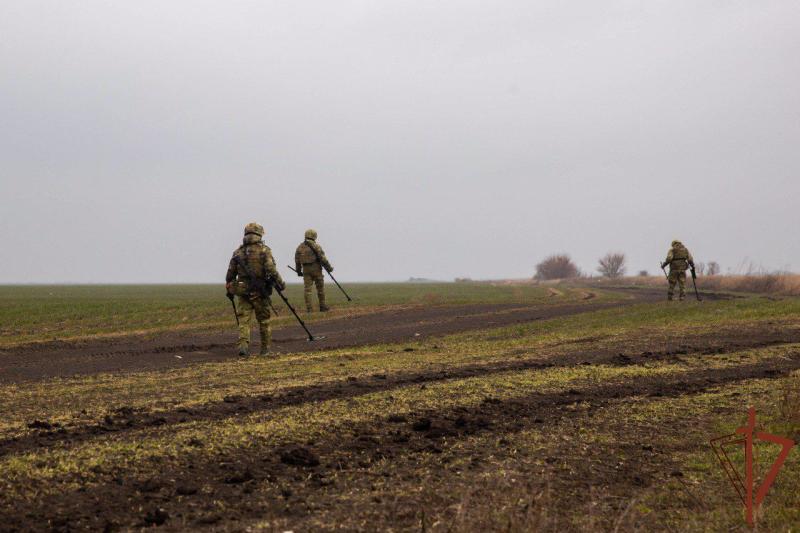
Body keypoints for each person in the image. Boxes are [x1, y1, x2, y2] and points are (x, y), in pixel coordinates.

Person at [225, 222, 285, 356]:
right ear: (259, 234)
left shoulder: (237, 252)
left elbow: (229, 275)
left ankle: (243, 348)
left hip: (243, 291)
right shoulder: (264, 251)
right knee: (264, 321)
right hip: (260, 291)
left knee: (244, 321)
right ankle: (265, 350)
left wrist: (231, 285)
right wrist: (281, 284)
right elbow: (271, 270)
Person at [294, 229, 333, 312]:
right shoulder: (316, 246)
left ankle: (309, 309)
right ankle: (322, 307)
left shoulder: (300, 247)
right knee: (320, 288)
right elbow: (323, 258)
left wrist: (298, 271)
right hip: (316, 269)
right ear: (314, 236)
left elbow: (297, 260)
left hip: (305, 270)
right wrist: (329, 268)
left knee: (307, 290)